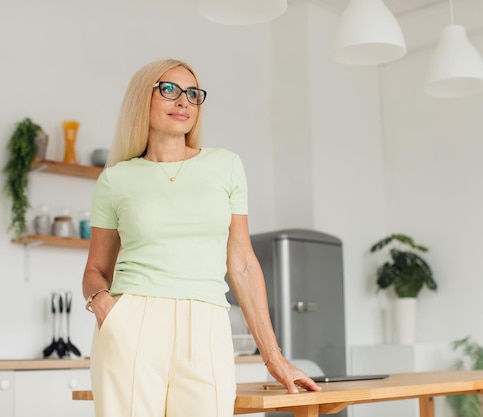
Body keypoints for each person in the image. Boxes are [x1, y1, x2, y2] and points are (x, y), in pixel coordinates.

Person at [81, 58, 320, 417]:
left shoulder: (225, 166)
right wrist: (106, 308)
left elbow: (241, 265)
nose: (183, 102)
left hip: (207, 324)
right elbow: (96, 269)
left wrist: (274, 357)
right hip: (132, 323)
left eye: (192, 94)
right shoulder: (115, 180)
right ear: (140, 100)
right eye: (169, 90)